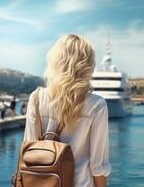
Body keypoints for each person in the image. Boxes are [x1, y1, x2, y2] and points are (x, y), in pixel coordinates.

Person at [24, 34, 111, 187]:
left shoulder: (36, 98)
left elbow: (29, 151)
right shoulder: (97, 105)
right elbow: (98, 167)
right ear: (88, 65)